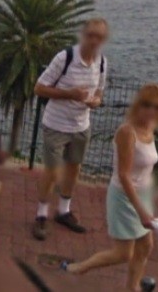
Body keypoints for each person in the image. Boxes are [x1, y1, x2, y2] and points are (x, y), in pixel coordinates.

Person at [59, 83, 158, 291]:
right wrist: (141, 211)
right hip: (125, 198)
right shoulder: (127, 132)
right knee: (123, 253)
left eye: (157, 107)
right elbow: (124, 175)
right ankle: (77, 269)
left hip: (142, 195)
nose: (151, 111)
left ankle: (132, 287)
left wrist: (148, 200)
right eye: (146, 105)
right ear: (138, 105)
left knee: (146, 246)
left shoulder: (151, 127)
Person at [31, 18, 110, 239]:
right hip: (56, 124)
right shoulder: (64, 58)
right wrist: (70, 94)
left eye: (99, 37)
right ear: (83, 34)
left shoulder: (101, 62)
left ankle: (64, 211)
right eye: (91, 35)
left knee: (74, 169)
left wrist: (95, 102)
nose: (94, 40)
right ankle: (41, 215)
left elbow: (100, 92)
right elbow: (39, 88)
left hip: (81, 125)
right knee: (52, 171)